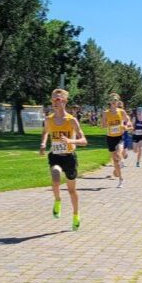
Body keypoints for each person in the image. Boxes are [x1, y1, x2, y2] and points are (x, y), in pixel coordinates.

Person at [40, 88, 87, 231]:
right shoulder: (49, 120)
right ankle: (58, 200)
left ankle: (76, 215)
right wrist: (43, 143)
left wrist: (70, 141)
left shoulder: (71, 120)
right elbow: (45, 133)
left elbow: (84, 141)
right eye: (53, 99)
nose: (54, 101)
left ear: (65, 101)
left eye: (58, 99)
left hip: (69, 158)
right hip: (55, 155)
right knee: (55, 176)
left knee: (72, 190)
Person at [101, 93, 130, 187]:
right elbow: (102, 125)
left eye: (116, 100)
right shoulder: (106, 113)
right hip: (110, 137)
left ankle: (121, 161)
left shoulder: (121, 112)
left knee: (119, 151)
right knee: (115, 161)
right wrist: (111, 125)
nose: (114, 102)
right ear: (110, 102)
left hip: (119, 137)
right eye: (112, 100)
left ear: (118, 102)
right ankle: (121, 179)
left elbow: (128, 120)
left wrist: (125, 125)